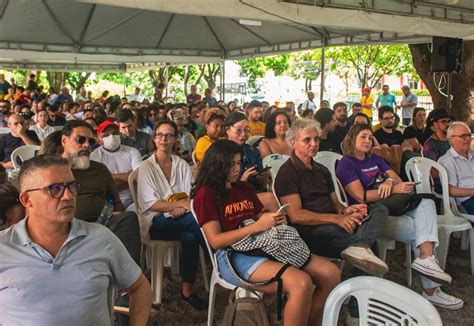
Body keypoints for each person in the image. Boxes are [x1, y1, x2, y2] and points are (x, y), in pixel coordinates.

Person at [191, 139, 340, 325]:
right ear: (217, 164)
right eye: (231, 164)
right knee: (301, 283)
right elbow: (216, 241)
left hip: (261, 242)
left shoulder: (243, 187)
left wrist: (272, 218)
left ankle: (309, 321)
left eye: (239, 162)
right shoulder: (207, 194)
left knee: (330, 273)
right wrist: (257, 226)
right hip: (232, 254)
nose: (237, 168)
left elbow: (256, 215)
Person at [0, 154, 152, 324]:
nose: (68, 196)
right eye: (55, 189)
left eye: (71, 186)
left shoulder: (101, 238)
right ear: (27, 199)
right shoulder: (4, 248)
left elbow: (140, 287)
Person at [336, 124, 463, 310]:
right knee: (423, 233)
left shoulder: (375, 159)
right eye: (363, 136)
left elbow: (397, 179)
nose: (367, 141)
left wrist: (388, 181)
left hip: (393, 210)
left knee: (426, 204)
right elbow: (361, 196)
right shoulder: (347, 163)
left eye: (370, 138)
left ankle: (426, 260)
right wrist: (393, 189)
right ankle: (431, 289)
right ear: (352, 139)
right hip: (371, 216)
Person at [274, 119, 389, 276]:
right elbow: (296, 216)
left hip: (332, 223)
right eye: (307, 140)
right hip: (310, 231)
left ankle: (360, 247)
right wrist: (336, 219)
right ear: (293, 142)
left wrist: (347, 210)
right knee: (372, 245)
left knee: (377, 208)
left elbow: (336, 204)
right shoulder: (288, 173)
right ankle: (356, 293)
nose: (314, 144)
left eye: (316, 139)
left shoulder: (322, 170)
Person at [136, 120, 207, 310]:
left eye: (168, 135)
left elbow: (189, 196)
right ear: (154, 138)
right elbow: (152, 204)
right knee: (195, 220)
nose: (164, 139)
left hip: (182, 218)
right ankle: (218, 254)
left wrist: (181, 206)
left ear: (175, 139)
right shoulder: (147, 167)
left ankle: (187, 290)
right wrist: (180, 205)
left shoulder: (181, 164)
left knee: (191, 236)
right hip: (156, 223)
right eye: (159, 135)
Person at [56, 120, 141, 264]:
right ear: (64, 141)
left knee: (128, 219)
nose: (87, 145)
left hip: (101, 224)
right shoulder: (51, 169)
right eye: (80, 139)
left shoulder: (100, 169)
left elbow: (118, 203)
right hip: (66, 226)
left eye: (90, 141)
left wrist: (114, 212)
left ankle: (128, 279)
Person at [91, 120, 142, 210]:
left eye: (115, 133)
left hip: (134, 201)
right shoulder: (94, 157)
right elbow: (101, 187)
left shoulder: (132, 152)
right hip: (107, 204)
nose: (112, 137)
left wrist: (109, 177)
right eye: (106, 135)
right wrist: (129, 178)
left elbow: (139, 178)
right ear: (99, 140)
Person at [439, 122, 474, 214]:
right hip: (466, 202)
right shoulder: (447, 160)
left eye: (469, 135)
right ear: (451, 139)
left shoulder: (472, 154)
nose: (468, 139)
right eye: (463, 136)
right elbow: (451, 190)